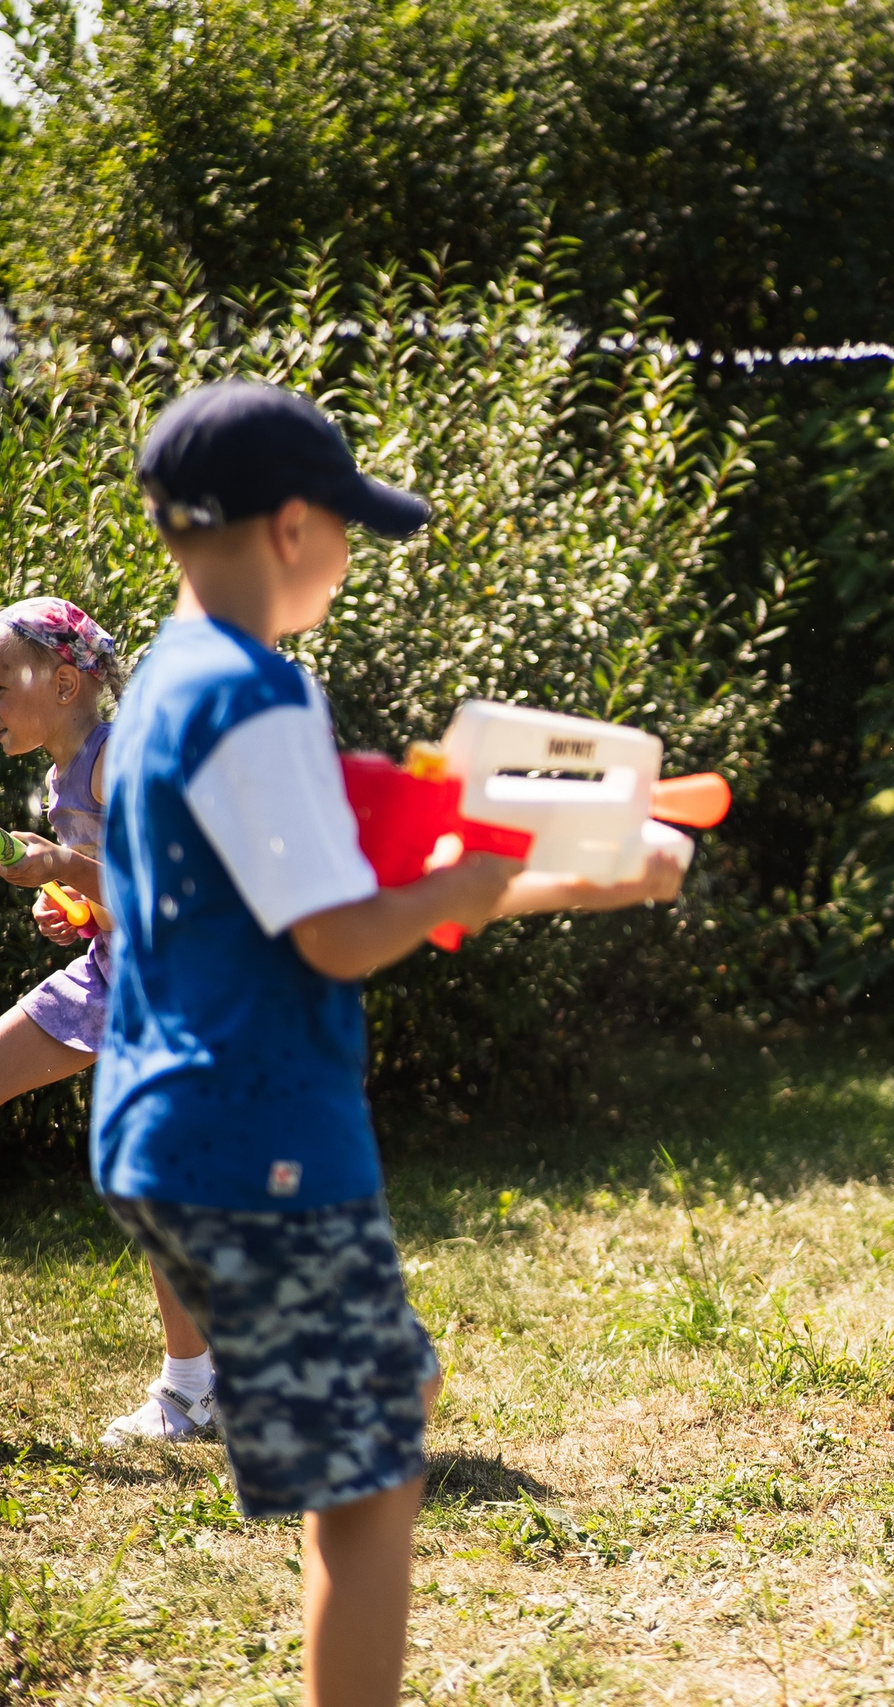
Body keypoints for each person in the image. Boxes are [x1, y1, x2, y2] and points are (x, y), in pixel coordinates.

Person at [92, 380, 685, 1707]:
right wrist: (479, 874)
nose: (348, 556)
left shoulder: (165, 685)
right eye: (349, 529)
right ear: (293, 526)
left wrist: (567, 879)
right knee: (368, 1486)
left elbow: (306, 892)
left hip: (162, 1125)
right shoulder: (257, 694)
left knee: (390, 1390)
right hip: (262, 1137)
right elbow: (341, 936)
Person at [0, 598, 220, 1448]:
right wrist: (71, 908)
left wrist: (63, 864)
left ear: (63, 683)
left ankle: (194, 1389)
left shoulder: (117, 760)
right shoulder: (63, 775)